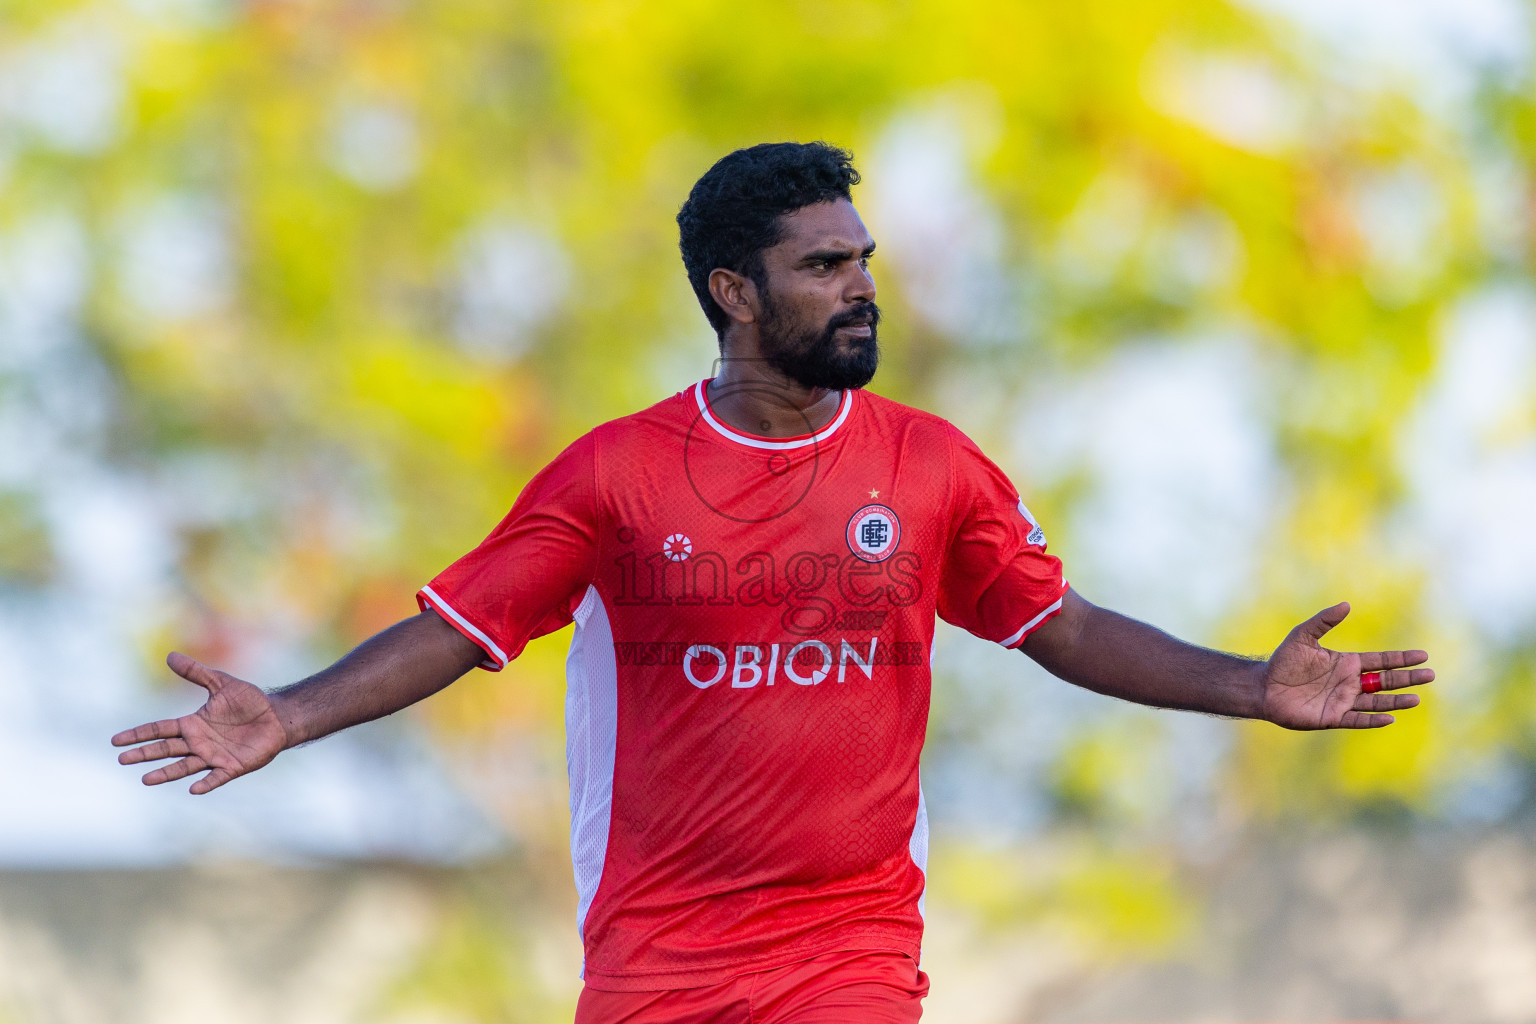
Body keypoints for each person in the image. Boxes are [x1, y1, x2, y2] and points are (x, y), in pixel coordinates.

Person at [113, 142, 1434, 1023]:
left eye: (863, 260)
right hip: (655, 966)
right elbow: (460, 632)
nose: (863, 289)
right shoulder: (616, 476)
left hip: (851, 955)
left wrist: (1250, 686)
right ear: (734, 291)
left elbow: (1061, 625)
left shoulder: (929, 467)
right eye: (826, 267)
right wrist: (286, 712)